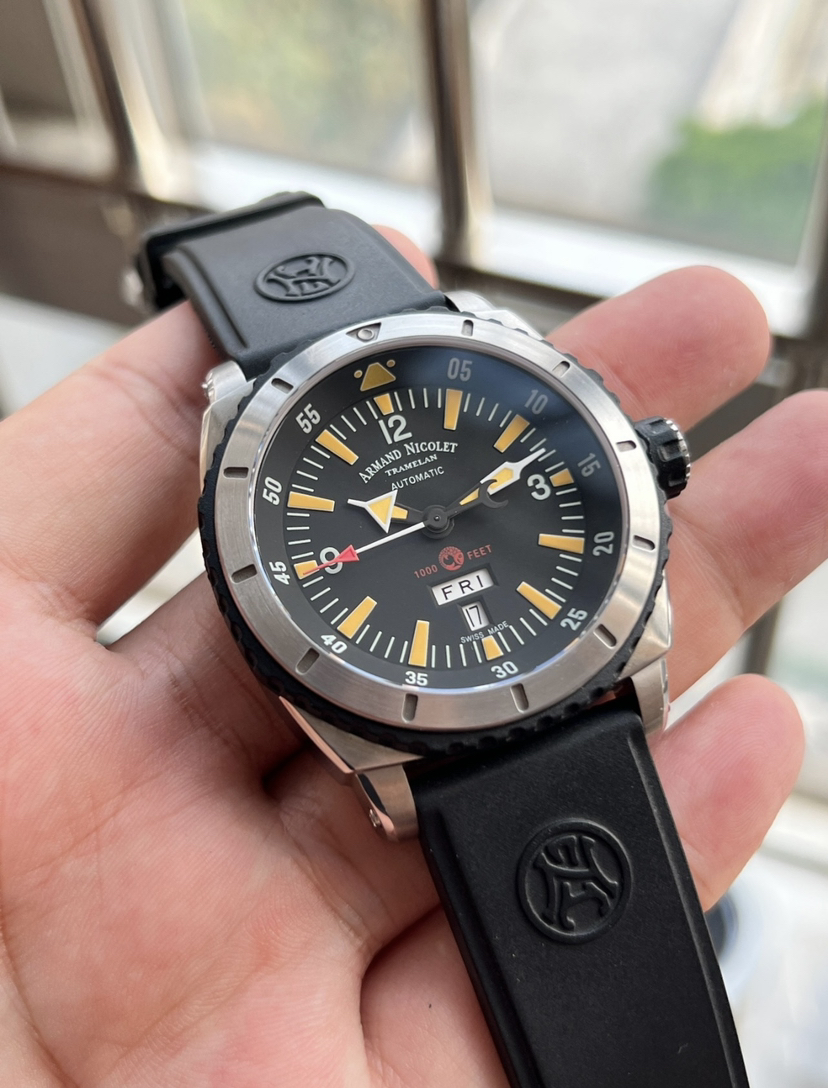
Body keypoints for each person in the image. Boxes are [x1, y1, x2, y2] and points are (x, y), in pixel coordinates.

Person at [0, 229, 825, 1087]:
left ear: (647, 461)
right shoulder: (241, 417)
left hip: (593, 681)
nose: (437, 526)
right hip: (423, 750)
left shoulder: (482, 352)